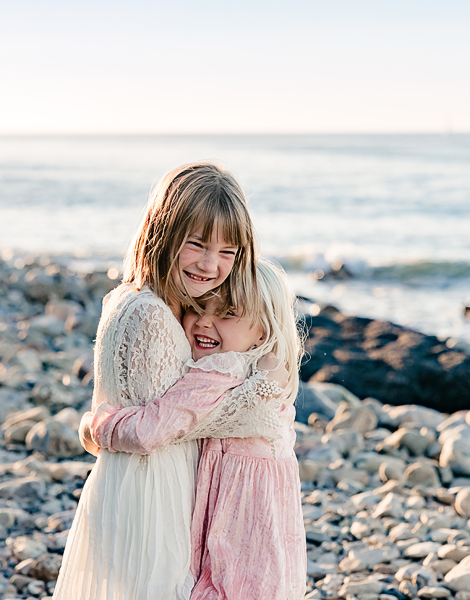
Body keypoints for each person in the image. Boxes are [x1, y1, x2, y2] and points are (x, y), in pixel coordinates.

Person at [52, 162, 286, 600]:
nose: (210, 264)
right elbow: (176, 421)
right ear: (163, 232)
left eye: (227, 252)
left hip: (134, 484)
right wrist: (262, 381)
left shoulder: (133, 298)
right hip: (154, 495)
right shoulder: (154, 316)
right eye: (196, 244)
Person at [89, 260, 307, 600]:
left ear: (262, 331)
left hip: (238, 518)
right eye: (198, 307)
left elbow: (153, 429)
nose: (205, 322)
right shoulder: (264, 369)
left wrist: (98, 426)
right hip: (273, 523)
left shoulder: (220, 369)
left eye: (227, 313)